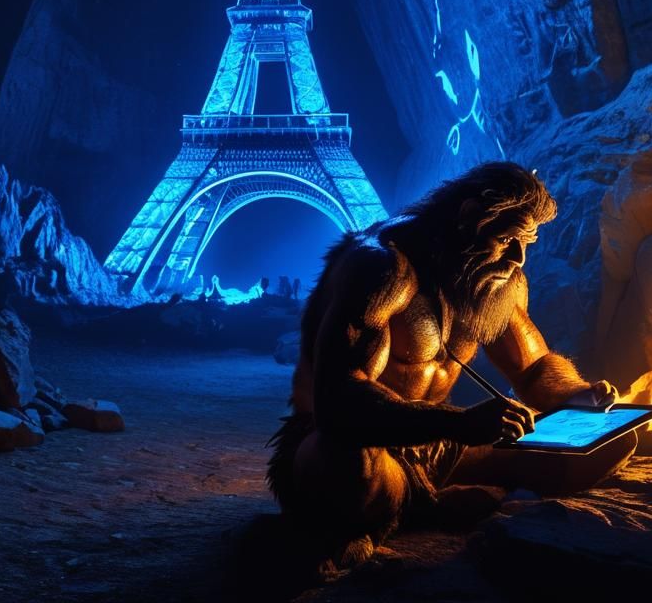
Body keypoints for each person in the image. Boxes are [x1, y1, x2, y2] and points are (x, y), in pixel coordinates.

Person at [267, 161, 632, 568]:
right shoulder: (380, 267)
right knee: (349, 459)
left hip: (442, 447)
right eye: (509, 238)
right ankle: (402, 508)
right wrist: (459, 423)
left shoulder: (498, 279)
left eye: (527, 242)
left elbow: (534, 368)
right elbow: (338, 400)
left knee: (612, 440)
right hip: (357, 446)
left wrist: (580, 394)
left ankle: (418, 503)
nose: (519, 257)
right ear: (468, 217)